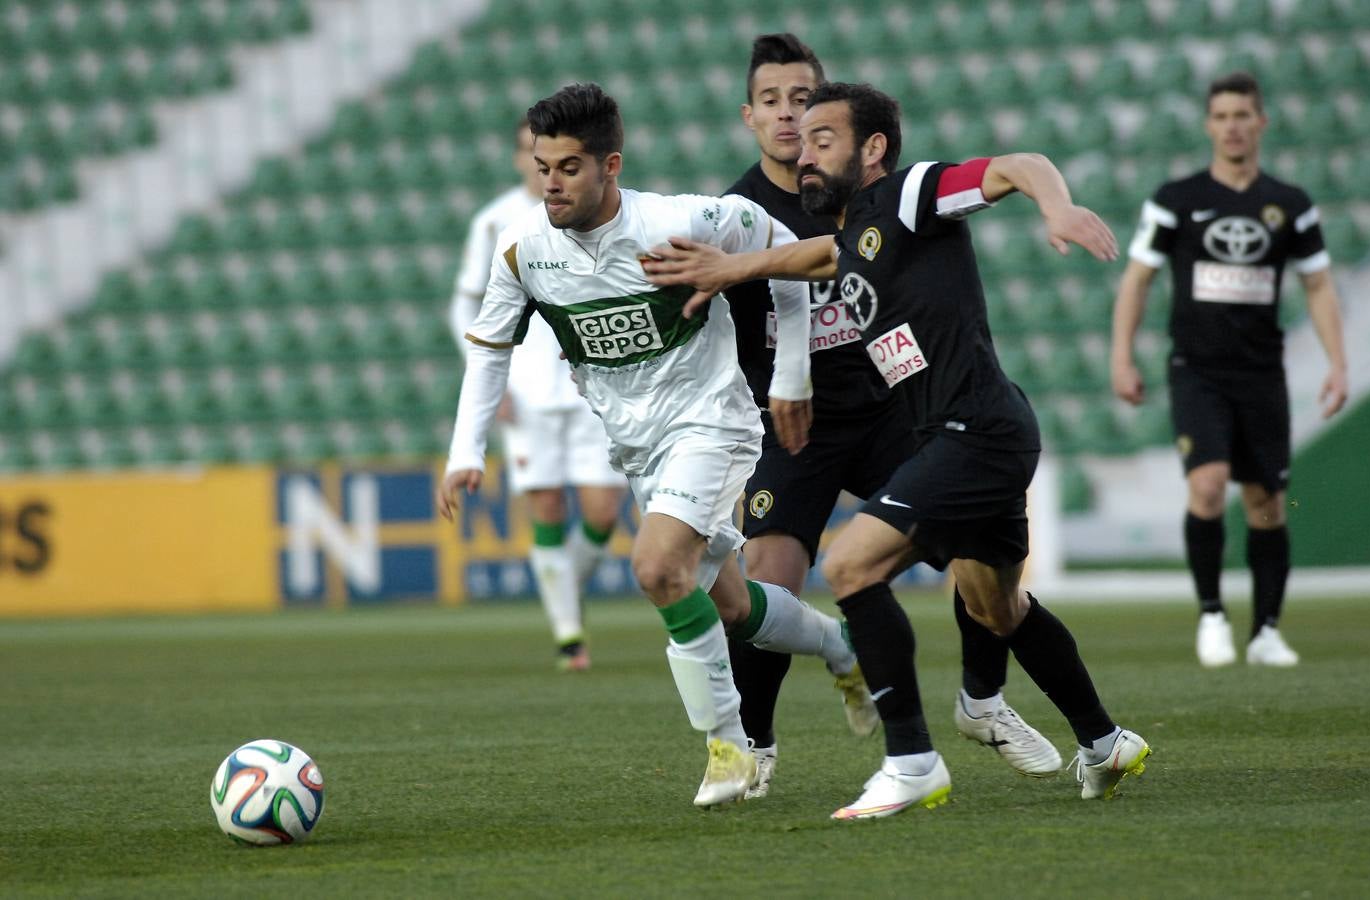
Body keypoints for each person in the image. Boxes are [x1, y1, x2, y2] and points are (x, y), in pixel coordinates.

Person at [644, 82, 1150, 819]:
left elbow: (1016, 163)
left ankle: (911, 760)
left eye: (823, 141)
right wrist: (729, 270)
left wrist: (1056, 204)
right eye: (800, 141)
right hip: (984, 431)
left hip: (972, 432)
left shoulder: (912, 193)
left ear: (872, 149)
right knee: (998, 605)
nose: (805, 154)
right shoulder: (858, 233)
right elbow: (818, 256)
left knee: (849, 564)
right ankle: (1105, 743)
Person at [435, 83, 872, 808]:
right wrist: (464, 453)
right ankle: (841, 648)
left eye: (569, 167)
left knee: (655, 566)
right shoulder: (524, 256)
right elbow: (487, 352)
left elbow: (796, 258)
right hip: (637, 448)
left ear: (610, 165)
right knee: (733, 607)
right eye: (543, 166)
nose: (551, 182)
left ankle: (729, 746)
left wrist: (792, 375)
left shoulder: (684, 220)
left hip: (711, 423)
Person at [723, 34, 1058, 798]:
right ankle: (754, 743)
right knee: (767, 576)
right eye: (771, 101)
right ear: (749, 116)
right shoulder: (733, 211)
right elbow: (733, 308)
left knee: (982, 566)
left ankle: (986, 700)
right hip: (794, 421)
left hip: (888, 406)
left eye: (803, 102)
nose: (788, 116)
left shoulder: (864, 194)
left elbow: (846, 257)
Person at [1110, 71, 1348, 669]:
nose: (1233, 125)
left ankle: (1266, 629)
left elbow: (1317, 285)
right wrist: (1122, 355)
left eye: (1243, 114)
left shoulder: (1290, 205)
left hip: (1262, 373)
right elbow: (1138, 279)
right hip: (1197, 369)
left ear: (1261, 122)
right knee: (1208, 485)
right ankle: (1212, 614)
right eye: (1222, 116)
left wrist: (1338, 364)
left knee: (1268, 501)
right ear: (1208, 125)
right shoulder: (1176, 199)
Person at [448, 120, 628, 672]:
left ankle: (559, 584)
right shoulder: (496, 222)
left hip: (589, 386)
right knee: (546, 506)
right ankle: (569, 635)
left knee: (604, 509)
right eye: (530, 152)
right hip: (525, 392)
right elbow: (464, 307)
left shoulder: (591, 214)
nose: (539, 163)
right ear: (519, 159)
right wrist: (490, 379)